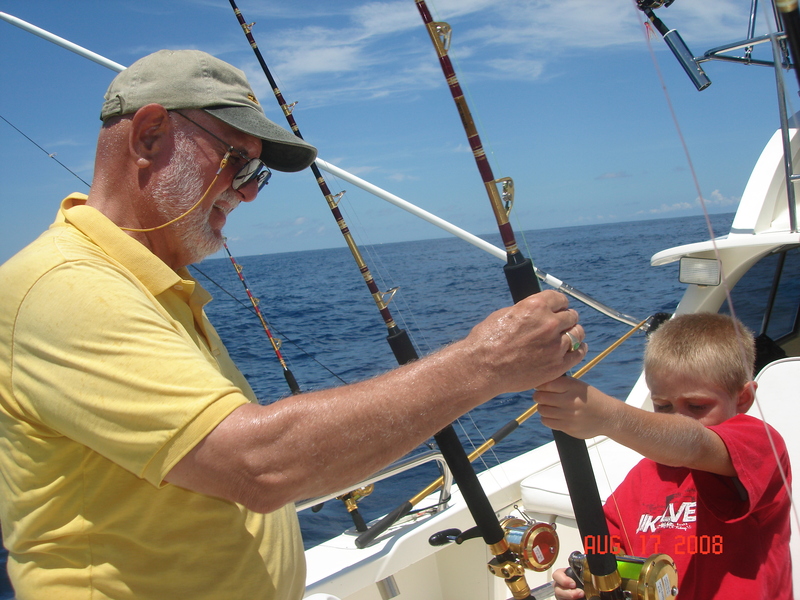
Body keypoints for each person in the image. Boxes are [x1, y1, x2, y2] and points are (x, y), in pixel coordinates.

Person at [0, 49, 588, 600]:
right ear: (149, 134)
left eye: (259, 174)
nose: (249, 194)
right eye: (237, 161)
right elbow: (259, 464)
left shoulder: (152, 284)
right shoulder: (64, 286)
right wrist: (485, 364)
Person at [535, 313, 792, 599]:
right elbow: (604, 547)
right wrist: (582, 577)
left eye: (696, 406)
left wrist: (609, 417)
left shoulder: (760, 446)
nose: (679, 418)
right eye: (663, 406)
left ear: (743, 399)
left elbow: (694, 443)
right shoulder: (642, 478)